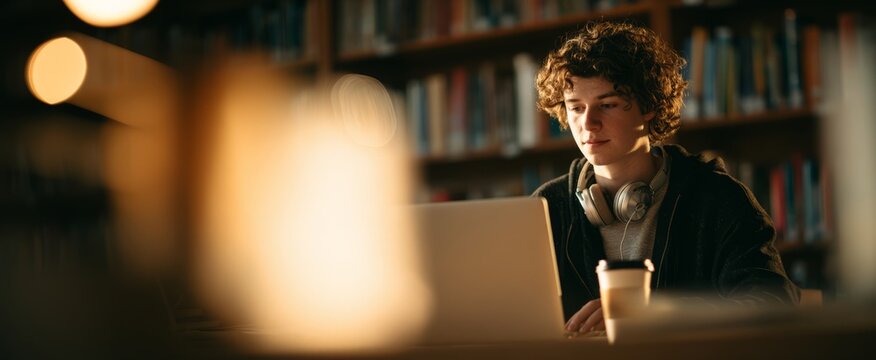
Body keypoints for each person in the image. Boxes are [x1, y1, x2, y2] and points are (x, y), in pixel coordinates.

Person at [532, 21, 799, 335]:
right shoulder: (547, 207)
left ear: (648, 107)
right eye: (576, 107)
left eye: (607, 105)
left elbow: (772, 303)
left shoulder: (717, 198)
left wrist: (653, 313)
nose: (588, 124)